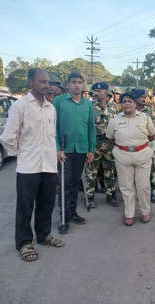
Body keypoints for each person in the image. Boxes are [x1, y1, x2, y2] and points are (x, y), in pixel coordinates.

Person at [0, 68, 64, 262]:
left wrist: (55, 154)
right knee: (25, 206)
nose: (47, 85)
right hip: (28, 166)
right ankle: (24, 242)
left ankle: (43, 235)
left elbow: (51, 136)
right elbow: (8, 137)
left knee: (46, 204)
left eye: (48, 82)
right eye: (42, 82)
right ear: (30, 82)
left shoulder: (51, 108)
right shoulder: (20, 106)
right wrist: (20, 154)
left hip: (49, 165)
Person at [54, 72, 96, 232]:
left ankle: (72, 212)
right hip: (65, 150)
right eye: (73, 82)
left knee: (74, 183)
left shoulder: (88, 104)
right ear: (68, 84)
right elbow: (54, 127)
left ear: (83, 85)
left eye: (79, 82)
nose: (77, 85)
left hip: (82, 149)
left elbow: (91, 128)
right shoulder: (59, 101)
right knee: (64, 183)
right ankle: (63, 217)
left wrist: (91, 149)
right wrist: (58, 148)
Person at [106, 93, 155, 226]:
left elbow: (152, 135)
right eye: (124, 101)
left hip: (143, 156)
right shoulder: (115, 120)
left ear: (135, 104)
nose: (127, 103)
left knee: (143, 186)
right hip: (123, 156)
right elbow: (110, 138)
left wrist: (138, 145)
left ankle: (145, 212)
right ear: (121, 104)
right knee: (126, 187)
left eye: (130, 101)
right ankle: (129, 214)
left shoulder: (145, 118)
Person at [85, 82, 119, 208]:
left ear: (106, 92)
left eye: (99, 91)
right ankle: (90, 197)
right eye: (95, 91)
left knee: (110, 170)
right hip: (94, 143)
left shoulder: (115, 107)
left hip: (110, 143)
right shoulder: (89, 107)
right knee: (91, 171)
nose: (96, 93)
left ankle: (110, 195)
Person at [133, 89, 155, 203]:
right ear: (134, 98)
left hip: (147, 145)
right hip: (132, 146)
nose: (143, 99)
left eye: (144, 97)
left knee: (150, 169)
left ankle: (151, 192)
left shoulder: (148, 110)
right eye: (140, 97)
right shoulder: (129, 109)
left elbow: (154, 127)